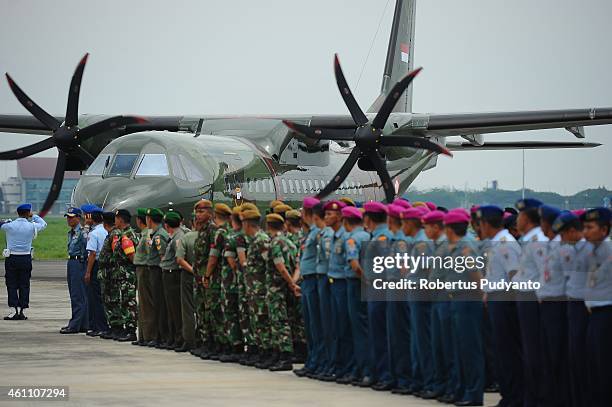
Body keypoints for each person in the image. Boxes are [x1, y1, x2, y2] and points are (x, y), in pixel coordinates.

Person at [478, 205, 523, 407]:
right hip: (497, 300)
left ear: (487, 224)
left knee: (508, 351)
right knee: (501, 350)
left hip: (505, 302)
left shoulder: (505, 244)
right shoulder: (496, 242)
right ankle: (509, 394)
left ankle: (514, 396)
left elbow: (514, 274)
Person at [444, 209, 484, 407]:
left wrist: (478, 299)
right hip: (458, 299)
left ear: (450, 229)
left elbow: (476, 276)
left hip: (467, 301)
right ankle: (462, 389)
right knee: (459, 348)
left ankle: (474, 393)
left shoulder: (466, 247)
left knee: (470, 349)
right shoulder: (457, 246)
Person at [552, 211, 590, 407]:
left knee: (584, 359)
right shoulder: (570, 249)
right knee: (573, 358)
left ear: (574, 231)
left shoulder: (592, 250)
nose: (561, 238)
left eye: (564, 234)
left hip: (586, 307)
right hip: (571, 304)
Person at [514, 198, 547, 407]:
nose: (517, 220)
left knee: (534, 353)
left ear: (527, 217)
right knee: (527, 351)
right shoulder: (528, 240)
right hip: (523, 299)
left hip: (533, 300)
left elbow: (545, 274)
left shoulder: (538, 241)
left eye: (520, 215)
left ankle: (536, 399)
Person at [361, 201, 395, 391]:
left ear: (368, 218)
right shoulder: (377, 236)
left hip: (380, 290)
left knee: (381, 334)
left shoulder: (383, 238)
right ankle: (377, 372)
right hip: (374, 290)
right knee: (375, 333)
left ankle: (385, 374)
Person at [582, 207, 612, 407]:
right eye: (584, 227)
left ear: (604, 230)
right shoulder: (592, 251)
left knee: (605, 369)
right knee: (592, 367)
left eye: (590, 227)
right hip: (593, 314)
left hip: (607, 314)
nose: (585, 232)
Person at [323, 200, 354, 382]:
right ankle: (337, 365)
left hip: (343, 284)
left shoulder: (345, 237)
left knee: (344, 327)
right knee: (335, 327)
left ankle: (347, 367)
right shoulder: (334, 236)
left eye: (330, 214)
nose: (326, 217)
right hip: (333, 283)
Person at [293, 197, 324, 378]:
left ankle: (319, 362)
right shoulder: (310, 234)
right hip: (307, 281)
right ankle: (313, 361)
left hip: (316, 281)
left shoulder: (319, 234)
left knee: (318, 325)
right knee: (311, 325)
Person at [342, 206, 373, 387]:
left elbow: (354, 264)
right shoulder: (368, 236)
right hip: (366, 286)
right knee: (365, 328)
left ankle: (362, 369)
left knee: (357, 329)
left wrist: (363, 278)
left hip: (355, 284)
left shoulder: (352, 239)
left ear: (346, 222)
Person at [265, 212, 300, 371]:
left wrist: (290, 283)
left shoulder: (275, 243)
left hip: (277, 287)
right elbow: (296, 265)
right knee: (287, 320)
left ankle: (284, 357)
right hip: (286, 287)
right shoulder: (289, 242)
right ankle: (283, 355)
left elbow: (280, 266)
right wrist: (293, 283)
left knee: (279, 322)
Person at [384, 204, 412, 394]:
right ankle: (396, 376)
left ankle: (404, 378)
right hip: (391, 287)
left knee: (401, 334)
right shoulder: (394, 239)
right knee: (393, 335)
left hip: (398, 289)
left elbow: (403, 269)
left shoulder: (400, 241)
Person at [1, 203, 47, 321]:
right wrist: (34, 216)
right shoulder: (32, 226)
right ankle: (22, 309)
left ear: (18, 213)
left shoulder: (10, 225)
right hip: (25, 258)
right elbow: (44, 224)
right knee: (24, 284)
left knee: (11, 284)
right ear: (28, 213)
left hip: (12, 258)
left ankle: (13, 309)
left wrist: (6, 221)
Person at [241, 208, 272, 367]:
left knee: (263, 321)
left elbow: (269, 264)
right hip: (254, 289)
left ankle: (267, 352)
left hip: (261, 289)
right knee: (256, 322)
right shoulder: (254, 240)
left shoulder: (261, 240)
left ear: (247, 224)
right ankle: (261, 351)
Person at [202, 203, 232, 359]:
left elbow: (213, 258)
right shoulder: (231, 231)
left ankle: (221, 345)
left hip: (218, 278)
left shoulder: (219, 233)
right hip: (228, 277)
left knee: (217, 311)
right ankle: (225, 345)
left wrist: (206, 275)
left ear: (215, 215)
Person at [192, 199, 218, 358]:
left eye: (201, 212)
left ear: (210, 213)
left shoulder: (212, 230)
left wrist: (207, 275)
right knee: (200, 310)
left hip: (209, 278)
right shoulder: (201, 230)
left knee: (210, 311)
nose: (198, 215)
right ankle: (203, 341)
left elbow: (213, 256)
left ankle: (212, 344)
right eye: (197, 212)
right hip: (199, 277)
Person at [312, 202, 335, 381]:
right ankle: (321, 362)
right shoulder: (320, 234)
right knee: (319, 325)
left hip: (336, 282)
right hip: (320, 280)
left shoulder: (329, 235)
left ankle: (334, 364)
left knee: (333, 326)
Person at [159, 211, 186, 350]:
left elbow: (179, 258)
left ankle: (179, 338)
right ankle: (172, 338)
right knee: (170, 308)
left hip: (173, 275)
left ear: (167, 224)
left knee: (175, 309)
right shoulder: (175, 236)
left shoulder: (178, 238)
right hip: (169, 274)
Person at [112, 209, 139, 342]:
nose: (115, 221)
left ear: (121, 220)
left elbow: (132, 257)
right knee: (124, 301)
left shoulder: (127, 236)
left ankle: (130, 330)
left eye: (116, 218)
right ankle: (126, 328)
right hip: (123, 275)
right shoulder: (124, 234)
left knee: (129, 302)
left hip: (127, 275)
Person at [60, 207, 88, 334]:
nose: (69, 220)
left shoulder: (83, 233)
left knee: (78, 295)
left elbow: (88, 249)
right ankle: (83, 323)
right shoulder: (71, 232)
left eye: (71, 217)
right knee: (75, 294)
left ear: (78, 217)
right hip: (72, 262)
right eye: (68, 217)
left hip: (79, 263)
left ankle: (75, 324)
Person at [83, 205, 109, 336]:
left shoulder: (93, 234)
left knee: (94, 298)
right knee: (102, 297)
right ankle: (103, 325)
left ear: (92, 219)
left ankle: (97, 326)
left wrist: (88, 272)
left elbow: (92, 254)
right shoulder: (106, 231)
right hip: (105, 265)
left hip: (96, 265)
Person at [145, 208, 170, 348]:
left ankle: (161, 336)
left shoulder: (159, 236)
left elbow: (163, 257)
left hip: (158, 272)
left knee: (160, 305)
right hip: (155, 271)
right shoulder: (156, 234)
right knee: (157, 304)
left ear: (150, 219)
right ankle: (159, 335)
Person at [175, 212, 198, 353]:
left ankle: (190, 340)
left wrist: (192, 270)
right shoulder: (211, 236)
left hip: (188, 275)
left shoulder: (186, 238)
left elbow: (179, 259)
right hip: (207, 276)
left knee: (188, 310)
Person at [133, 208, 153, 346]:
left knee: (146, 305)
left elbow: (150, 254)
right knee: (143, 305)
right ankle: (143, 336)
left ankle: (148, 336)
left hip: (145, 271)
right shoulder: (145, 234)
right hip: (142, 270)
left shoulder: (147, 236)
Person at [98, 212, 119, 339]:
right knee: (108, 301)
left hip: (111, 274)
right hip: (107, 273)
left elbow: (115, 254)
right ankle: (112, 327)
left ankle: (116, 327)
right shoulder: (111, 234)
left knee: (113, 301)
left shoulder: (114, 235)